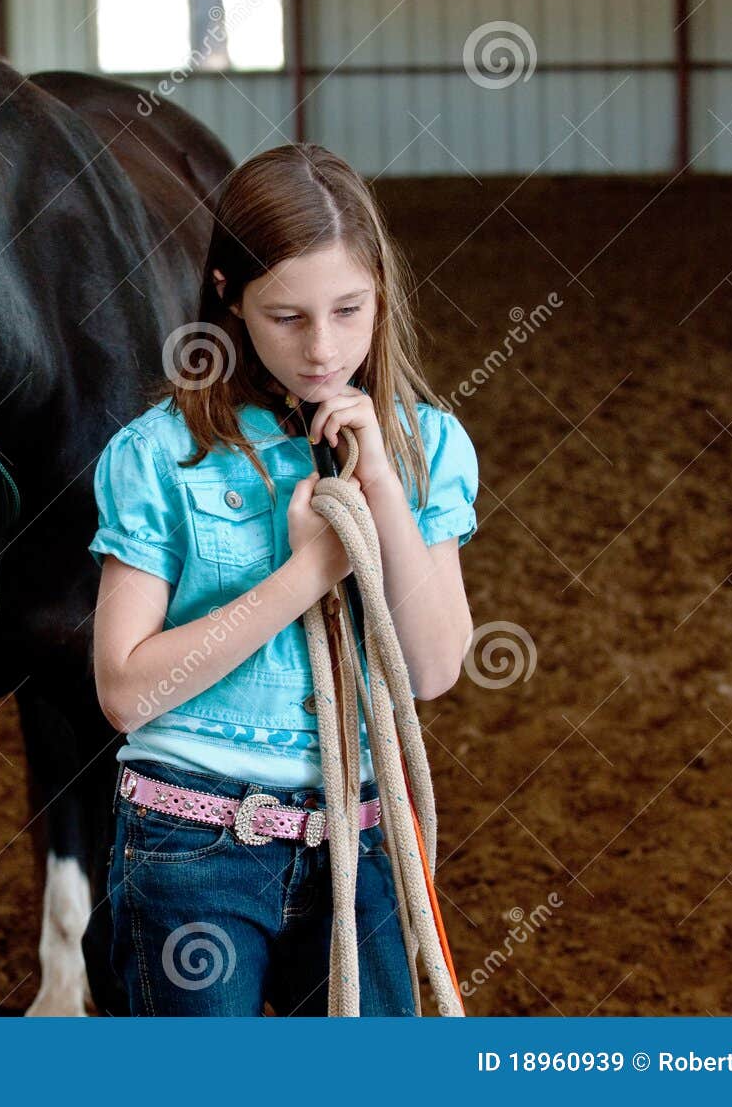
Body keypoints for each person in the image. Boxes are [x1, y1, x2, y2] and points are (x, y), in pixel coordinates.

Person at [88, 143, 478, 1016]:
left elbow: (435, 667)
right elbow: (124, 689)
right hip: (190, 841)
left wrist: (379, 487)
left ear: (383, 291)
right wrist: (309, 571)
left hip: (363, 843)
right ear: (228, 295)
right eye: (286, 316)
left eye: (349, 310)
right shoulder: (160, 454)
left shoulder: (426, 449)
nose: (323, 349)